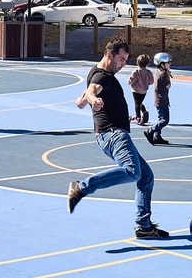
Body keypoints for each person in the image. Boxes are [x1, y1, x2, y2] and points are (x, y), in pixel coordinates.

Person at [67, 38, 168, 239]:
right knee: (132, 171)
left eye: (125, 60)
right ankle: (81, 187)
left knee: (146, 176)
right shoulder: (101, 77)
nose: (123, 64)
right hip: (113, 134)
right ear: (109, 55)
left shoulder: (97, 74)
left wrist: (83, 101)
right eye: (121, 59)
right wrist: (92, 99)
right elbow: (92, 91)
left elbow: (83, 97)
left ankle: (144, 226)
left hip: (113, 135)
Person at [143, 52, 173, 146]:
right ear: (162, 64)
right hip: (162, 100)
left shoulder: (157, 72)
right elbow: (168, 86)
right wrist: (168, 74)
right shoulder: (163, 75)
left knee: (160, 118)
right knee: (164, 120)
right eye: (168, 63)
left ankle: (157, 136)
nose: (169, 64)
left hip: (158, 99)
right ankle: (150, 131)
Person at [126, 54, 153, 125]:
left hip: (136, 90)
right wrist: (146, 83)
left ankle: (138, 117)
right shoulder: (148, 72)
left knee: (137, 103)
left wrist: (129, 82)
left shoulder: (136, 72)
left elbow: (132, 80)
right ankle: (144, 111)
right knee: (140, 102)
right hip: (144, 91)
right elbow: (151, 81)